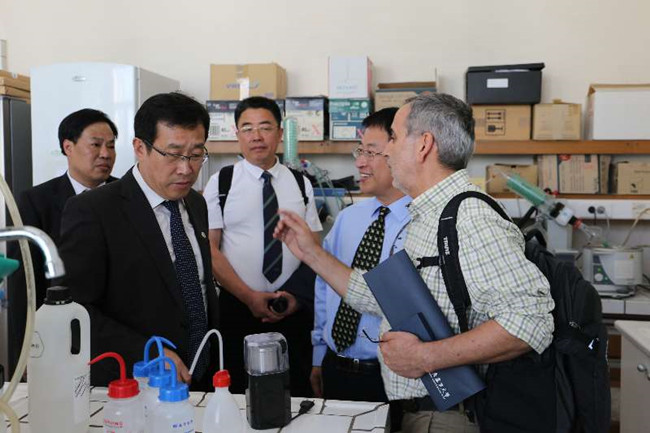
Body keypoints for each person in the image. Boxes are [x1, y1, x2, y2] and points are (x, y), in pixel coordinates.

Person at [274, 93, 555, 433]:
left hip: (448, 414)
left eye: (393, 138)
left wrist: (425, 357)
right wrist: (311, 253)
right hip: (423, 410)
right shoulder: (430, 215)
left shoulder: (469, 217)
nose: (386, 151)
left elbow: (530, 322)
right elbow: (386, 300)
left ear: (423, 145)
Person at [58, 93, 219, 390]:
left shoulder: (196, 204)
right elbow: (74, 310)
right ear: (140, 148)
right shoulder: (95, 210)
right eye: (173, 154)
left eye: (196, 154)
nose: (186, 169)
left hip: (201, 377)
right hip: (134, 384)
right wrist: (148, 352)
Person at [202, 96, 322, 396]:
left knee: (294, 391)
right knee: (238, 391)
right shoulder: (221, 182)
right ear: (237, 134)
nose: (256, 136)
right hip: (237, 307)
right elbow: (210, 250)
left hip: (292, 308)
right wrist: (249, 296)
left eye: (265, 127)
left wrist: (295, 296)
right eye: (247, 128)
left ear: (280, 133)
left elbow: (315, 250)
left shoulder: (301, 183)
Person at [311, 108, 410, 406]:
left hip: (391, 376)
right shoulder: (348, 218)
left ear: (400, 151)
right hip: (336, 366)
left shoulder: (423, 223)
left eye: (371, 152)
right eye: (360, 150)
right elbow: (324, 288)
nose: (360, 162)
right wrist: (318, 354)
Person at [7, 108, 118, 374]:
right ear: (68, 147)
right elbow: (25, 283)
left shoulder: (125, 196)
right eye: (96, 144)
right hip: (58, 336)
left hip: (117, 336)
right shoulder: (36, 201)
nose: (105, 154)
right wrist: (26, 352)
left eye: (111, 145)